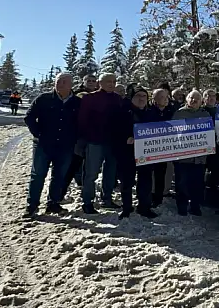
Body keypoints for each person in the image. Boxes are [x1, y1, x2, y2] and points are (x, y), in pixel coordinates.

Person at [22, 73, 80, 217]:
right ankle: (32, 206)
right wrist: (38, 134)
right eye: (58, 81)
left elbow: (82, 123)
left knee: (59, 176)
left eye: (64, 82)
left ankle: (53, 204)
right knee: (38, 175)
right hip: (43, 145)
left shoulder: (77, 103)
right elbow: (29, 117)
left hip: (65, 146)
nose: (60, 84)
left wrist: (75, 138)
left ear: (71, 85)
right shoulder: (44, 99)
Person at [78, 73, 123, 214]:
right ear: (100, 83)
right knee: (91, 173)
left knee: (110, 172)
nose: (111, 84)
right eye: (108, 81)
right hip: (95, 141)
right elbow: (82, 120)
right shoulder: (90, 98)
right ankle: (87, 202)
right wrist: (84, 139)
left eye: (114, 81)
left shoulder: (118, 99)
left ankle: (107, 198)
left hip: (113, 142)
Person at [115, 87, 158, 219]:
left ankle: (144, 207)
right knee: (127, 181)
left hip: (146, 152)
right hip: (127, 152)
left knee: (145, 180)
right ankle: (126, 207)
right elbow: (114, 130)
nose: (141, 98)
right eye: (138, 96)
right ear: (132, 98)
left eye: (144, 96)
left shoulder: (152, 113)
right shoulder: (122, 112)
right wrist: (125, 138)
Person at [171, 90, 210, 216]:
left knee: (197, 183)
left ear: (201, 101)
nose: (194, 100)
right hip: (182, 156)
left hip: (199, 157)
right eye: (191, 98)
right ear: (187, 99)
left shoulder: (205, 114)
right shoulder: (179, 113)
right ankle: (182, 206)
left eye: (197, 99)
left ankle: (195, 206)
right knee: (181, 182)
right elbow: (172, 132)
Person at [148, 88, 177, 206]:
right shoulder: (148, 111)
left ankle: (158, 197)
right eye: (162, 97)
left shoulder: (171, 112)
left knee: (161, 172)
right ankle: (149, 194)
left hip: (165, 148)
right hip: (150, 148)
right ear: (154, 99)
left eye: (166, 97)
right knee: (150, 174)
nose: (165, 100)